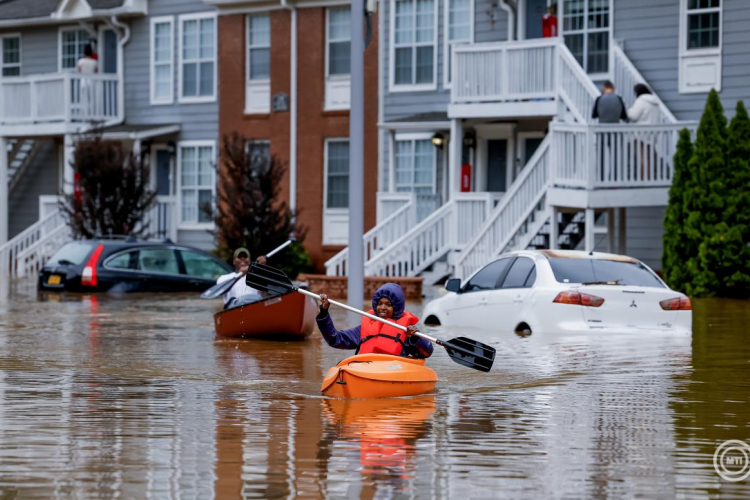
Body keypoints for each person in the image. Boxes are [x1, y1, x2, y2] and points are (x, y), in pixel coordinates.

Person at [316, 283, 433, 359]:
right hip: (367, 370)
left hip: (394, 371)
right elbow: (334, 339)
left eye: (388, 305)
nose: (382, 308)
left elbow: (426, 352)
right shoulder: (364, 329)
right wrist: (324, 312)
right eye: (379, 303)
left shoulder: (407, 330)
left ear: (396, 307)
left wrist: (415, 338)